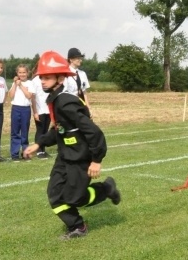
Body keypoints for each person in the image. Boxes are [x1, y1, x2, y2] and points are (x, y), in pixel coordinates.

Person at [22, 50, 121, 240]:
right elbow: (60, 130)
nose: (42, 81)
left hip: (80, 158)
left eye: (47, 77)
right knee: (55, 195)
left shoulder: (66, 103)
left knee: (75, 198)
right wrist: (39, 144)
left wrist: (96, 160)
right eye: (41, 77)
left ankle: (106, 189)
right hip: (65, 157)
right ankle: (77, 226)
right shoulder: (55, 100)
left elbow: (94, 132)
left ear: (60, 78)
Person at [8, 64, 34, 161]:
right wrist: (15, 84)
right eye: (20, 72)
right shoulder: (15, 83)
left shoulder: (30, 83)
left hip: (25, 109)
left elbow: (29, 96)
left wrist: (21, 85)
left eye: (24, 72)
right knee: (15, 132)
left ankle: (25, 153)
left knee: (24, 132)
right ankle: (14, 154)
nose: (22, 74)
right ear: (17, 73)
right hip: (16, 108)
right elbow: (11, 95)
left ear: (27, 73)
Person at [30, 69, 51, 159]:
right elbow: (33, 98)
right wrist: (35, 112)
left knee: (45, 130)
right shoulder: (35, 81)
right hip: (39, 110)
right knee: (40, 130)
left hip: (48, 109)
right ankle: (38, 151)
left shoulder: (48, 79)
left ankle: (43, 150)